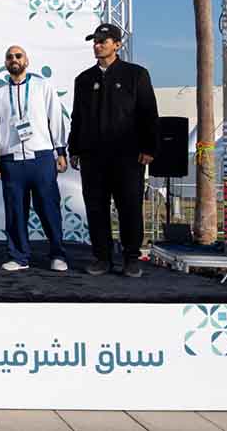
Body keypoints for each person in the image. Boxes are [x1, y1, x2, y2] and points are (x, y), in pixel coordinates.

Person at [69, 23, 158, 278]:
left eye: (103, 41)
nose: (97, 45)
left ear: (117, 45)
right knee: (96, 208)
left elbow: (149, 113)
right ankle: (102, 257)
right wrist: (74, 148)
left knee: (129, 207)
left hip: (127, 157)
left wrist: (149, 147)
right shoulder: (84, 79)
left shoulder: (136, 74)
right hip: (93, 157)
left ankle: (131, 258)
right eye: (95, 42)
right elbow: (77, 117)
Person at [0, 45, 68, 272]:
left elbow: (55, 118)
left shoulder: (42, 86)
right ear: (5, 63)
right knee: (15, 211)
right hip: (11, 160)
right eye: (9, 57)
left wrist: (60, 151)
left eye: (18, 56)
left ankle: (57, 254)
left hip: (41, 157)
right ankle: (18, 256)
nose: (14, 59)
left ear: (27, 61)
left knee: (48, 208)